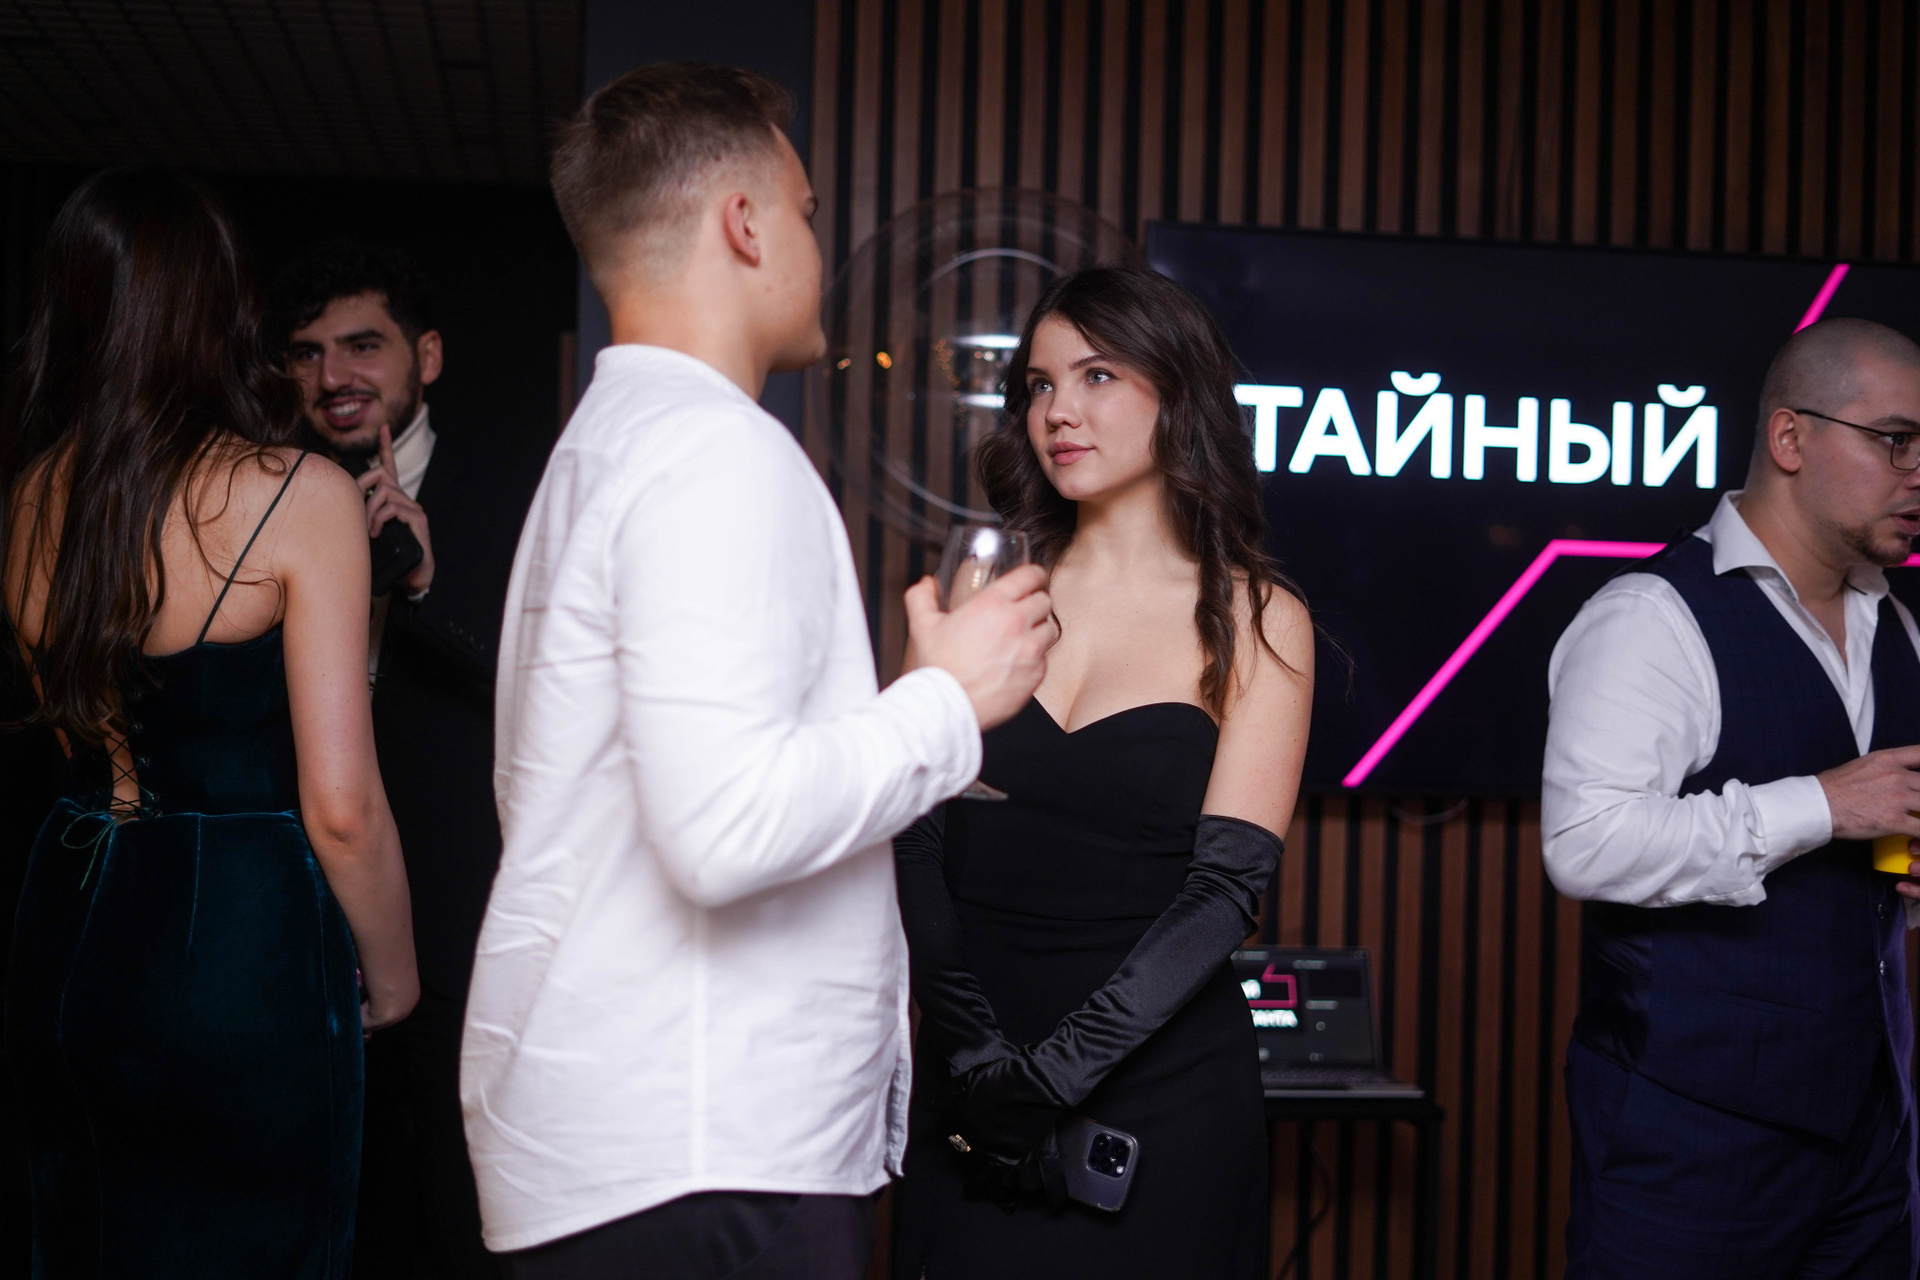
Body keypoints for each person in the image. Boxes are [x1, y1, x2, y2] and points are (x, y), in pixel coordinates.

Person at [460, 63, 1054, 1279]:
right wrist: (949, 699)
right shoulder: (715, 452)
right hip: (701, 1144)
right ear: (743, 223)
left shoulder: (604, 445)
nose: (815, 244)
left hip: (627, 1135)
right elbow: (723, 825)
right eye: (806, 211)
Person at [0, 169, 417, 1276]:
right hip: (235, 940)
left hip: (66, 915)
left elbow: (75, 738)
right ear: (220, 309)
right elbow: (342, 808)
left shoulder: (31, 495)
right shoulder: (296, 495)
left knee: (87, 1241)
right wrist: (396, 975)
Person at [889, 265, 1312, 1279]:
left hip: (1162, 1103)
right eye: (1039, 384)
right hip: (970, 1086)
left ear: (1177, 392)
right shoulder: (982, 589)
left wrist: (1053, 1077)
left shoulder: (1258, 617)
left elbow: (1224, 892)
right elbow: (908, 830)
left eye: (1097, 375)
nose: (1057, 412)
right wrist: (977, 1056)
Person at [1544, 317, 1920, 1278]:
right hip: (1688, 1139)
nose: (1917, 472)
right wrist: (1822, 806)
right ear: (1791, 437)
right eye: (1895, 440)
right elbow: (1585, 842)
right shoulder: (1650, 617)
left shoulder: (1900, 629)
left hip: (1873, 1132)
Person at [274, 242, 543, 1280]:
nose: (333, 375)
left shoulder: (515, 490)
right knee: (332, 1205)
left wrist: (427, 588)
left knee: (460, 1213)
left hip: (458, 920)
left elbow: (553, 694)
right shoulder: (261, 494)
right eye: (308, 352)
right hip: (302, 917)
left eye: (361, 346)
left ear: (425, 357)